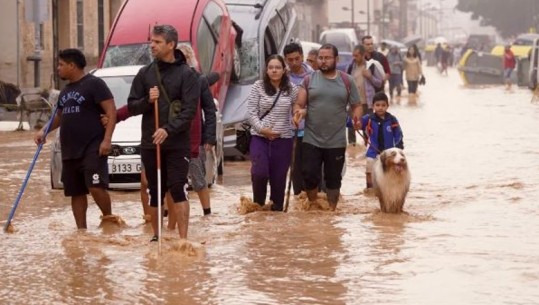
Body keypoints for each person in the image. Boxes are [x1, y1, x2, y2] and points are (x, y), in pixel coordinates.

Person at [127, 24, 199, 242]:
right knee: (154, 190)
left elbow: (188, 112)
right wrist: (148, 101)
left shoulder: (187, 75)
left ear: (171, 44)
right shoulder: (145, 73)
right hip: (151, 142)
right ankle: (156, 237)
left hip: (177, 143)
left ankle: (183, 240)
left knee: (178, 187)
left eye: (157, 42)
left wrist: (168, 130)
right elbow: (131, 106)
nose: (152, 46)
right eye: (151, 41)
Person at [34, 48, 117, 229]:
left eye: (61, 65)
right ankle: (81, 231)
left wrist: (107, 139)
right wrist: (44, 131)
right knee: (76, 192)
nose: (58, 68)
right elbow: (59, 116)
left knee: (95, 186)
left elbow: (111, 111)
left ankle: (109, 219)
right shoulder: (65, 91)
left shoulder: (95, 84)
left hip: (93, 146)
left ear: (72, 66)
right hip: (70, 149)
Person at [293, 43, 362, 211]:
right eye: (320, 58)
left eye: (327, 58)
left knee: (333, 179)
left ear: (336, 59)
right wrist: (298, 112)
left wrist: (357, 117)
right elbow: (299, 103)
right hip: (311, 138)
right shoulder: (309, 79)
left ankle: (331, 211)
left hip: (336, 140)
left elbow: (356, 105)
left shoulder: (347, 81)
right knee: (309, 175)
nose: (323, 61)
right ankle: (314, 205)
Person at [166, 44, 217, 230]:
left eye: (186, 56)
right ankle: (168, 215)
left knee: (198, 177)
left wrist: (209, 138)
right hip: (172, 137)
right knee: (171, 180)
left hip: (195, 138)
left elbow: (210, 110)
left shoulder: (199, 80)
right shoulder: (168, 79)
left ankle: (207, 213)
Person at [247, 54, 298, 211]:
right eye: (270, 68)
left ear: (284, 70)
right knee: (259, 173)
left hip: (283, 141)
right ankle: (258, 207)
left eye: (277, 68)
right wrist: (262, 129)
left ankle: (276, 217)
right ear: (266, 70)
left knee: (279, 180)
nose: (274, 71)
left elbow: (298, 107)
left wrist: (296, 116)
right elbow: (251, 113)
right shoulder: (258, 86)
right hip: (259, 138)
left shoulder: (292, 89)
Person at [283, 42, 313, 196]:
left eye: (296, 58)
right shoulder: (282, 78)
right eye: (290, 60)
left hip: (311, 131)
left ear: (302, 56)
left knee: (310, 169)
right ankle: (298, 199)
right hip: (290, 131)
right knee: (295, 170)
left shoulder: (313, 76)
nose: (294, 63)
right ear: (286, 60)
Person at [360, 92, 404, 193]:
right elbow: (357, 123)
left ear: (388, 106)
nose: (380, 108)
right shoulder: (369, 118)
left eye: (383, 105)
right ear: (373, 106)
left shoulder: (392, 120)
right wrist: (348, 121)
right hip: (373, 152)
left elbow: (399, 134)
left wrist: (398, 147)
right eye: (378, 105)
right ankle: (369, 188)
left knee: (390, 171)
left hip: (389, 154)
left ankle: (390, 189)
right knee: (369, 167)